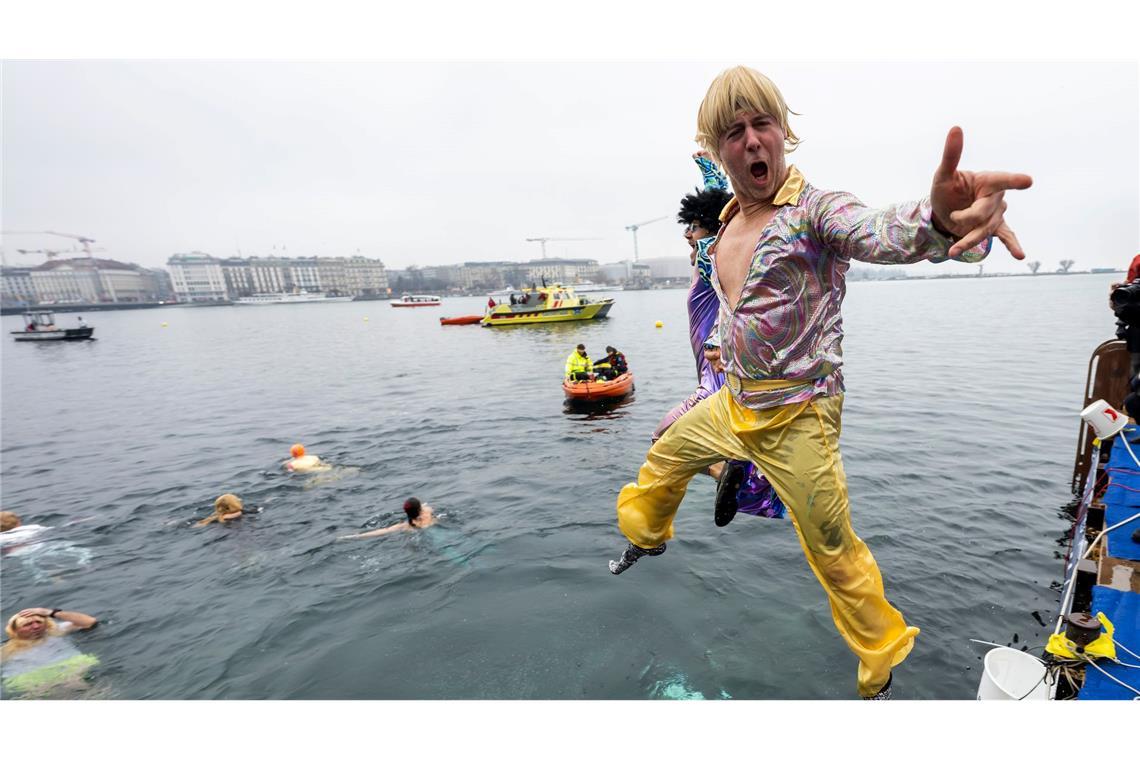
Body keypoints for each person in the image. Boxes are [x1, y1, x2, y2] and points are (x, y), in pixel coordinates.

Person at [607, 65, 1032, 699]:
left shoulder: (814, 211)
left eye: (763, 124)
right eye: (734, 132)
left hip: (798, 417)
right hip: (732, 401)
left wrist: (942, 223)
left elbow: (878, 230)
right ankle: (647, 537)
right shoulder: (727, 222)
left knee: (832, 551)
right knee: (666, 453)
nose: (753, 140)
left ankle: (879, 668)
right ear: (718, 148)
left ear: (783, 132)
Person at [643, 150, 786, 526]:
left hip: (714, 382)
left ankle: (726, 472)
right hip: (720, 379)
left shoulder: (713, 257)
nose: (686, 234)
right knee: (679, 443)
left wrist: (711, 173)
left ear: (710, 228)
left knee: (662, 439)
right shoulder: (712, 257)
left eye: (693, 227)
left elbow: (722, 212)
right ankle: (736, 473)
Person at [1, 607, 99, 697]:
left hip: (67, 668)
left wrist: (51, 612)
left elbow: (90, 622)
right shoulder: (6, 650)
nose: (36, 626)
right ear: (15, 630)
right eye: (27, 624)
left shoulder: (56, 632)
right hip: (32, 678)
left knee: (85, 689)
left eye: (39, 622)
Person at [340, 497, 436, 539]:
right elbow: (424, 507)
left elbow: (381, 532)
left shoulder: (405, 526)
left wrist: (354, 536)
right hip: (434, 531)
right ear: (420, 509)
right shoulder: (427, 512)